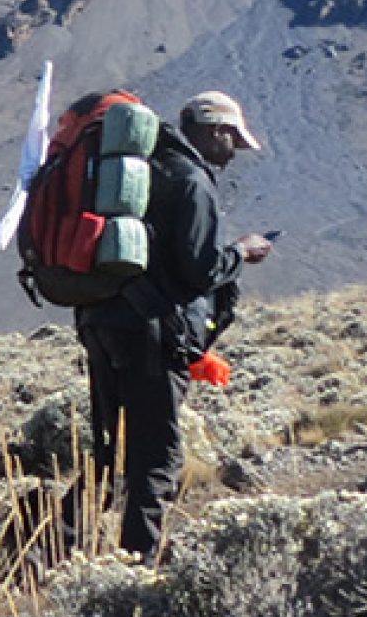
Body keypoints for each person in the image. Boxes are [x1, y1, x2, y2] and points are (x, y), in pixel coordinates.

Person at [75, 89, 272, 560]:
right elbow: (199, 269)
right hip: (151, 333)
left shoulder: (140, 173)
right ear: (216, 130)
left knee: (108, 445)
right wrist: (242, 252)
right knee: (156, 456)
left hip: (102, 317)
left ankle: (49, 549)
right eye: (232, 140)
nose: (233, 153)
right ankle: (137, 563)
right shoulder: (190, 180)